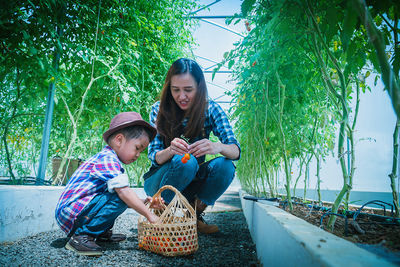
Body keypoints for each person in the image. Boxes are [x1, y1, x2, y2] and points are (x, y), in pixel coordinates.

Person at [143, 58, 241, 234]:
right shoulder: (158, 109)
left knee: (226, 166)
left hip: (191, 182)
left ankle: (192, 217)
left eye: (188, 90)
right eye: (176, 90)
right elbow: (154, 156)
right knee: (186, 161)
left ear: (199, 87)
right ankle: (161, 215)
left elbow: (235, 150)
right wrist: (171, 150)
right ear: (168, 88)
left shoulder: (210, 109)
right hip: (160, 183)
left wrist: (217, 146)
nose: (182, 96)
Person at [55, 112, 163, 256]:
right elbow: (124, 194)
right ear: (119, 140)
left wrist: (144, 202)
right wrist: (150, 215)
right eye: (137, 148)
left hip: (76, 211)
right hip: (72, 211)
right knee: (121, 196)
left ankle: (99, 233)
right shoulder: (108, 158)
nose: (138, 155)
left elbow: (119, 195)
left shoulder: (109, 159)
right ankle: (82, 236)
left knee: (119, 195)